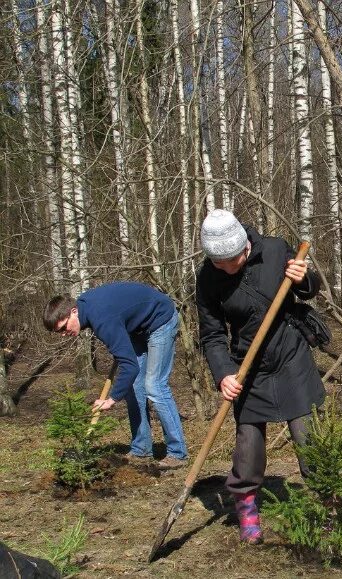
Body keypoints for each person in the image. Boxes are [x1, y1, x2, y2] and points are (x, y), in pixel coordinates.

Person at [195, 209, 325, 544]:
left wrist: (304, 278)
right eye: (218, 262)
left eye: (231, 260)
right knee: (248, 445)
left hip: (290, 356)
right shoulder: (208, 278)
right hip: (247, 366)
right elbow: (211, 335)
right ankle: (247, 507)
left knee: (308, 436)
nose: (225, 268)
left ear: (245, 248)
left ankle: (325, 504)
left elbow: (310, 290)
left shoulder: (275, 249)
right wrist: (224, 374)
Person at [43, 283, 189, 469]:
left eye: (63, 328)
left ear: (73, 311)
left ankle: (178, 453)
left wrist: (111, 399)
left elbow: (129, 366)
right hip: (137, 326)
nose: (63, 334)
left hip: (160, 318)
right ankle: (141, 449)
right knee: (134, 387)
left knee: (155, 386)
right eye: (58, 332)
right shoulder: (88, 309)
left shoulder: (102, 319)